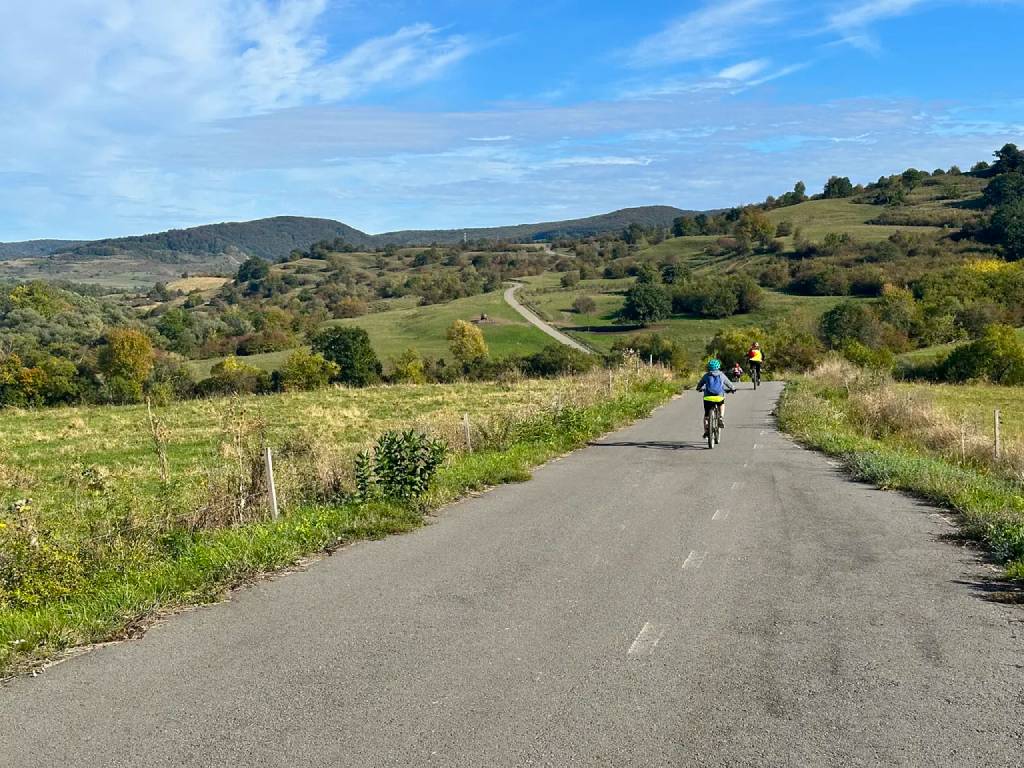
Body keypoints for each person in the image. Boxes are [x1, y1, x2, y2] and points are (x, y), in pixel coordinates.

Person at [696, 358, 735, 437]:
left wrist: (699, 388)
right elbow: (729, 384)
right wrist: (733, 389)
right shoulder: (721, 375)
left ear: (709, 367)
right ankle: (721, 417)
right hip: (719, 397)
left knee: (706, 416)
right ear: (718, 367)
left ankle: (707, 429)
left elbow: (700, 384)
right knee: (722, 404)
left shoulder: (706, 375)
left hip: (708, 398)